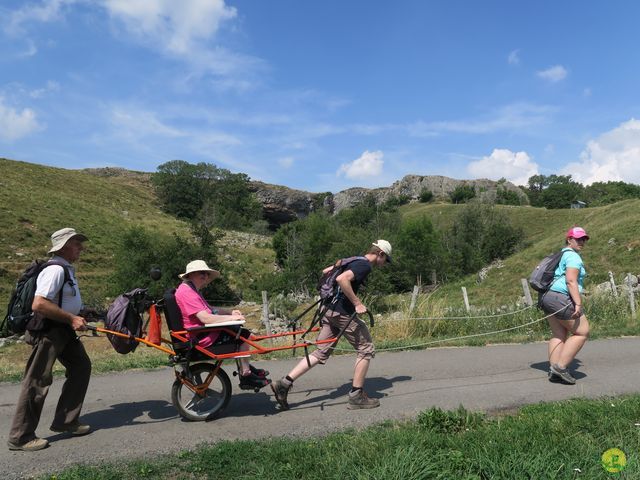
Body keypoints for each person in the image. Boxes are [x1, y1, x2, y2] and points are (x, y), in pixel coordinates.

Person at [271, 240, 392, 410]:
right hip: (342, 311)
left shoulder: (352, 260)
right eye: (385, 260)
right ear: (380, 254)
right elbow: (343, 279)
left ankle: (284, 383)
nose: (384, 264)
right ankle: (357, 396)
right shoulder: (364, 266)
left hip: (327, 309)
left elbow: (327, 271)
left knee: (321, 351)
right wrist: (357, 303)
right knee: (366, 348)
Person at [8, 228, 93, 452]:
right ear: (64, 246)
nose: (80, 248)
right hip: (49, 332)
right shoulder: (55, 270)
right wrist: (71, 317)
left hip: (63, 330)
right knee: (37, 381)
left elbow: (62, 300)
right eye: (76, 243)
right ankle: (20, 437)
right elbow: (40, 304)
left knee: (81, 367)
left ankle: (66, 420)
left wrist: (79, 313)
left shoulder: (65, 269)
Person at [174, 260, 270, 389]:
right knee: (243, 335)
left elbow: (211, 309)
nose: (205, 276)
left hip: (203, 332)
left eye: (207, 274)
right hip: (201, 337)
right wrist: (233, 318)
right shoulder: (187, 292)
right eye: (202, 273)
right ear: (190, 275)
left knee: (239, 331)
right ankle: (246, 374)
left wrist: (230, 313)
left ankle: (246, 367)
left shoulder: (191, 289)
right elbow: (205, 318)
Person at [540, 226, 590, 385]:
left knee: (559, 334)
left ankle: (554, 369)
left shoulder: (561, 254)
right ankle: (560, 368)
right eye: (578, 239)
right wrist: (578, 303)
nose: (581, 242)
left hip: (547, 296)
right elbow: (570, 281)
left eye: (584, 239)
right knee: (582, 332)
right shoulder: (574, 257)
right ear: (569, 239)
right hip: (560, 297)